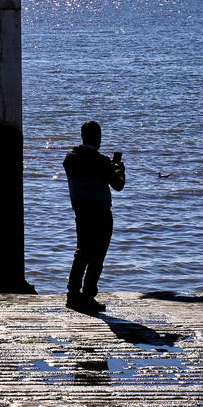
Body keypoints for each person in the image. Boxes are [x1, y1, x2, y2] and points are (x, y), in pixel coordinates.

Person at [63, 121, 126, 314]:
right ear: (97, 137)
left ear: (82, 136)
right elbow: (118, 185)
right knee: (97, 255)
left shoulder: (70, 159)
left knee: (81, 252)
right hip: (100, 213)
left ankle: (73, 294)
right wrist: (119, 169)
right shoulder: (101, 162)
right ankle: (89, 295)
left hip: (81, 211)